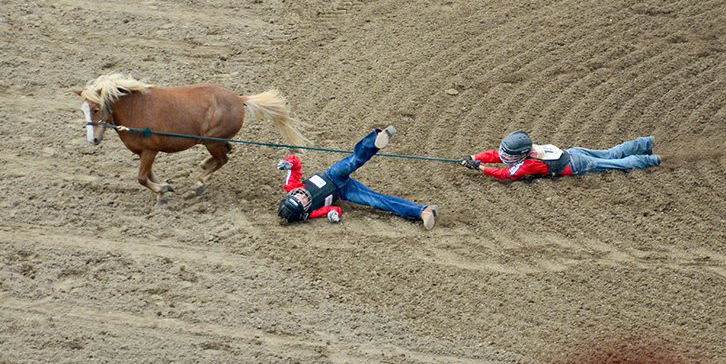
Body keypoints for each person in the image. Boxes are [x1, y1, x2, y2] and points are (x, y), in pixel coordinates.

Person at [277, 125, 438, 230]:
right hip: (343, 191)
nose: (301, 196)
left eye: (297, 196)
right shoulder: (311, 212)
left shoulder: (291, 186)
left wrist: (288, 163)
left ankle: (376, 139)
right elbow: (333, 208)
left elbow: (296, 164)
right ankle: (422, 211)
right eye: (302, 201)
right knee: (376, 200)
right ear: (304, 210)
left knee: (354, 160)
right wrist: (334, 215)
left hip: (332, 174)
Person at [457, 130, 660, 180]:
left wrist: (480, 168)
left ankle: (651, 160)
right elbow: (496, 155)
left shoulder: (528, 163)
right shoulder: (529, 151)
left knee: (616, 164)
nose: (504, 156)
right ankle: (644, 143)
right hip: (572, 153)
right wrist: (475, 157)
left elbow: (506, 173)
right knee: (611, 153)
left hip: (577, 165)